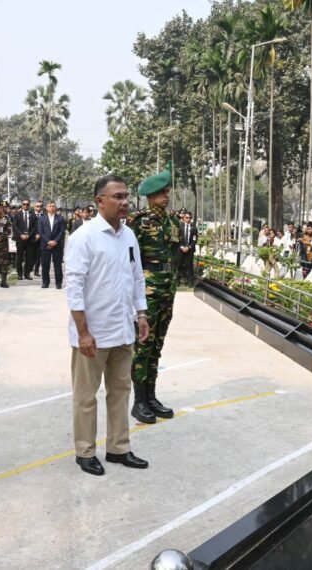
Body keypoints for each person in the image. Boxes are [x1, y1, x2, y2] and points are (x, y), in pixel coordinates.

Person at [65, 174, 150, 476]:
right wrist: (83, 332)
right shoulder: (83, 237)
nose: (125, 202)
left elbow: (137, 277)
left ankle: (119, 448)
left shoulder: (129, 236)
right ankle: (85, 451)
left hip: (123, 329)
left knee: (120, 391)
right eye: (117, 196)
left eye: (126, 196)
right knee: (86, 397)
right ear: (100, 200)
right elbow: (73, 287)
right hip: (93, 335)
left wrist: (141, 314)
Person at [128, 163, 180, 424]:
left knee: (157, 345)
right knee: (143, 346)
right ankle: (139, 401)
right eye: (162, 193)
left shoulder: (173, 222)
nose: (166, 196)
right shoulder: (139, 222)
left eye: (167, 192)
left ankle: (151, 396)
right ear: (151, 196)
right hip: (148, 290)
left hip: (167, 291)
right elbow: (130, 260)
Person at [39, 200, 65, 289]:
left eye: (53, 206)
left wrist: (55, 241)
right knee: (45, 265)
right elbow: (41, 232)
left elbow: (62, 232)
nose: (52, 207)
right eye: (50, 206)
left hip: (56, 245)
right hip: (45, 245)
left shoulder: (60, 218)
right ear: (46, 208)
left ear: (56, 208)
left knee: (57, 265)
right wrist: (48, 241)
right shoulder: (42, 218)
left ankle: (58, 283)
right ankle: (45, 282)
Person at [13, 199, 38, 280]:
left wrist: (29, 235)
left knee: (29, 257)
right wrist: (21, 235)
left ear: (29, 205)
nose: (26, 206)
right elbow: (15, 226)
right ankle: (19, 274)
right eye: (24, 204)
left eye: (27, 204)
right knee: (19, 257)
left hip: (29, 239)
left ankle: (27, 273)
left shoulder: (33, 214)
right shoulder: (17, 214)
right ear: (22, 204)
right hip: (20, 239)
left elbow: (35, 227)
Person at [178, 212, 197, 286]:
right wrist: (182, 247)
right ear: (184, 218)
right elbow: (177, 238)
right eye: (187, 217)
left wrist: (189, 247)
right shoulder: (180, 226)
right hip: (180, 249)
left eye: (190, 218)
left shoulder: (194, 227)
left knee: (189, 266)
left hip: (189, 250)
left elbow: (195, 239)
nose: (188, 219)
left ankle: (190, 282)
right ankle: (177, 281)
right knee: (179, 265)